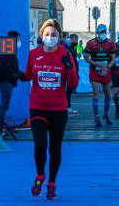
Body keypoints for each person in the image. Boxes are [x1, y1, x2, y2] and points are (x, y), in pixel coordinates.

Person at [22, 19, 78, 199]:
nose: (50, 38)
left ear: (59, 37)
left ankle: (52, 183)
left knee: (55, 147)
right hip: (38, 106)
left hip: (58, 108)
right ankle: (40, 175)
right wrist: (16, 74)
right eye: (47, 34)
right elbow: (28, 74)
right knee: (40, 144)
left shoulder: (66, 54)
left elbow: (74, 83)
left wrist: (69, 68)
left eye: (54, 35)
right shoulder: (33, 54)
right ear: (41, 36)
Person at [84, 24, 116, 127]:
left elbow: (113, 58)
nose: (103, 34)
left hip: (106, 71)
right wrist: (99, 65)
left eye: (104, 32)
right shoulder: (90, 43)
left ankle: (106, 115)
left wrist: (108, 67)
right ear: (97, 32)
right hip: (95, 72)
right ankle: (96, 117)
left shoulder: (111, 43)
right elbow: (86, 58)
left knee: (108, 94)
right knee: (96, 94)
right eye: (101, 32)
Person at [0, 30, 23, 133]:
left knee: (4, 106)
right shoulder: (7, 49)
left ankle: (1, 128)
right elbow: (4, 68)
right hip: (6, 82)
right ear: (14, 39)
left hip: (6, 82)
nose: (20, 41)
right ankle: (0, 130)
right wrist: (18, 74)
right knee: (4, 107)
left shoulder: (8, 49)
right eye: (19, 39)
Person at [65, 34, 80, 116]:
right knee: (68, 91)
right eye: (75, 39)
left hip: (74, 71)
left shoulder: (73, 49)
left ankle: (68, 107)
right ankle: (67, 108)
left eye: (77, 39)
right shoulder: (68, 49)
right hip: (70, 72)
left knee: (69, 91)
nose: (76, 41)